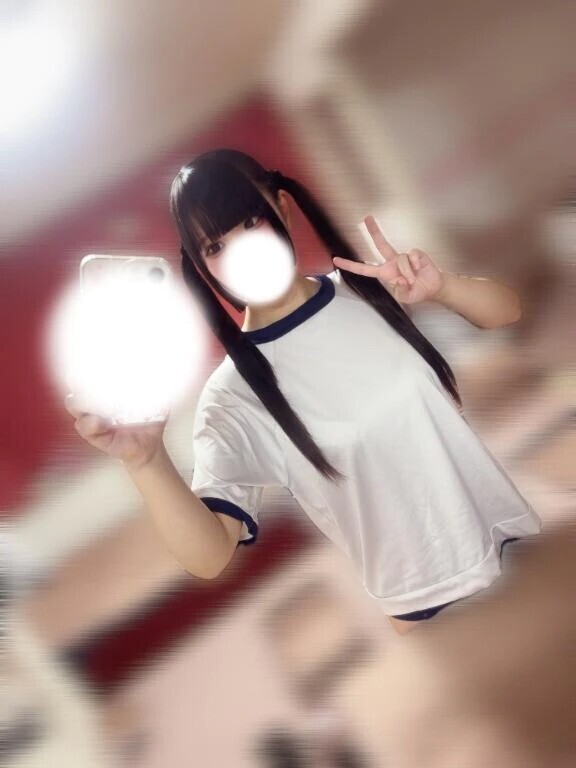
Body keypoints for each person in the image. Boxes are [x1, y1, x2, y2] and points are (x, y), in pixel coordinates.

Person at [64, 148, 542, 635]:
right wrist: (146, 462)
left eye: (250, 221)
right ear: (204, 267)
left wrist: (442, 288)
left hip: (513, 542)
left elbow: (508, 312)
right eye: (216, 246)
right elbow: (210, 555)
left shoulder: (368, 288)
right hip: (428, 611)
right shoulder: (233, 395)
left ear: (283, 208)